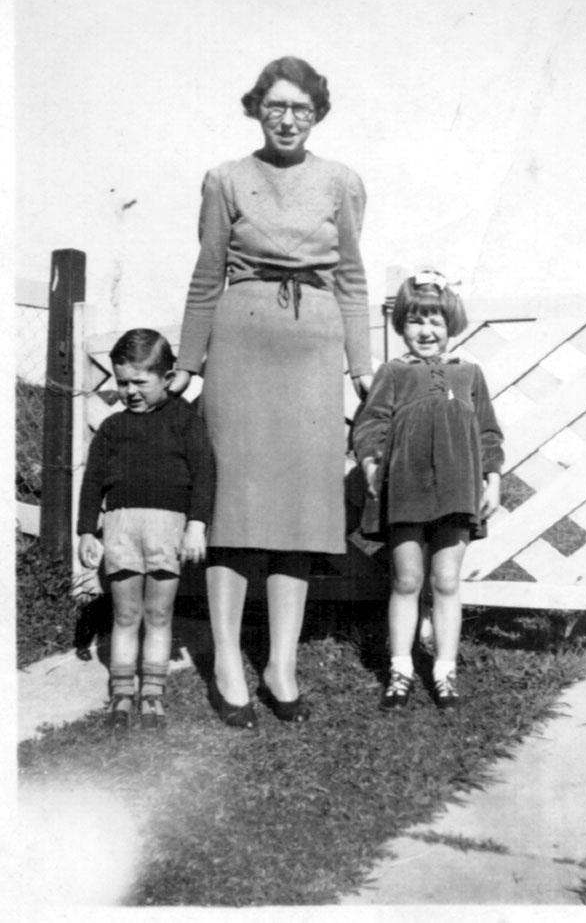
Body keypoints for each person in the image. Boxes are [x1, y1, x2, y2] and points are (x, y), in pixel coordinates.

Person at [171, 56, 373, 728]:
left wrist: (360, 365)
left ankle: (281, 665)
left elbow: (352, 280)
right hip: (241, 345)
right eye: (276, 106)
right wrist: (190, 362)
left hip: (313, 351)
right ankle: (228, 661)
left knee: (300, 517)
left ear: (318, 114)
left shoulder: (342, 182)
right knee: (234, 511)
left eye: (302, 108)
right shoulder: (226, 179)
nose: (288, 118)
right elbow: (206, 274)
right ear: (257, 108)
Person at [352, 271, 504, 711]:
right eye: (417, 321)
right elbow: (370, 424)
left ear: (451, 325)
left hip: (457, 490)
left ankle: (444, 671)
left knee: (446, 580)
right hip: (405, 489)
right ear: (402, 325)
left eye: (436, 321)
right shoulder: (394, 372)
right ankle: (399, 669)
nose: (426, 331)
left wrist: (491, 481)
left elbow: (489, 433)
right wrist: (372, 462)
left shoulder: (470, 374)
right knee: (407, 579)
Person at [77, 329, 215, 731]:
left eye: (141, 382)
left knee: (158, 614)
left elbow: (205, 474)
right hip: (121, 529)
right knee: (126, 613)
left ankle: (152, 693)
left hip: (167, 532)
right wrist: (87, 530)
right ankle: (121, 693)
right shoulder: (112, 428)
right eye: (122, 382)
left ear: (168, 378)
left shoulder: (185, 422)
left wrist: (196, 526)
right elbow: (92, 483)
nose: (130, 391)